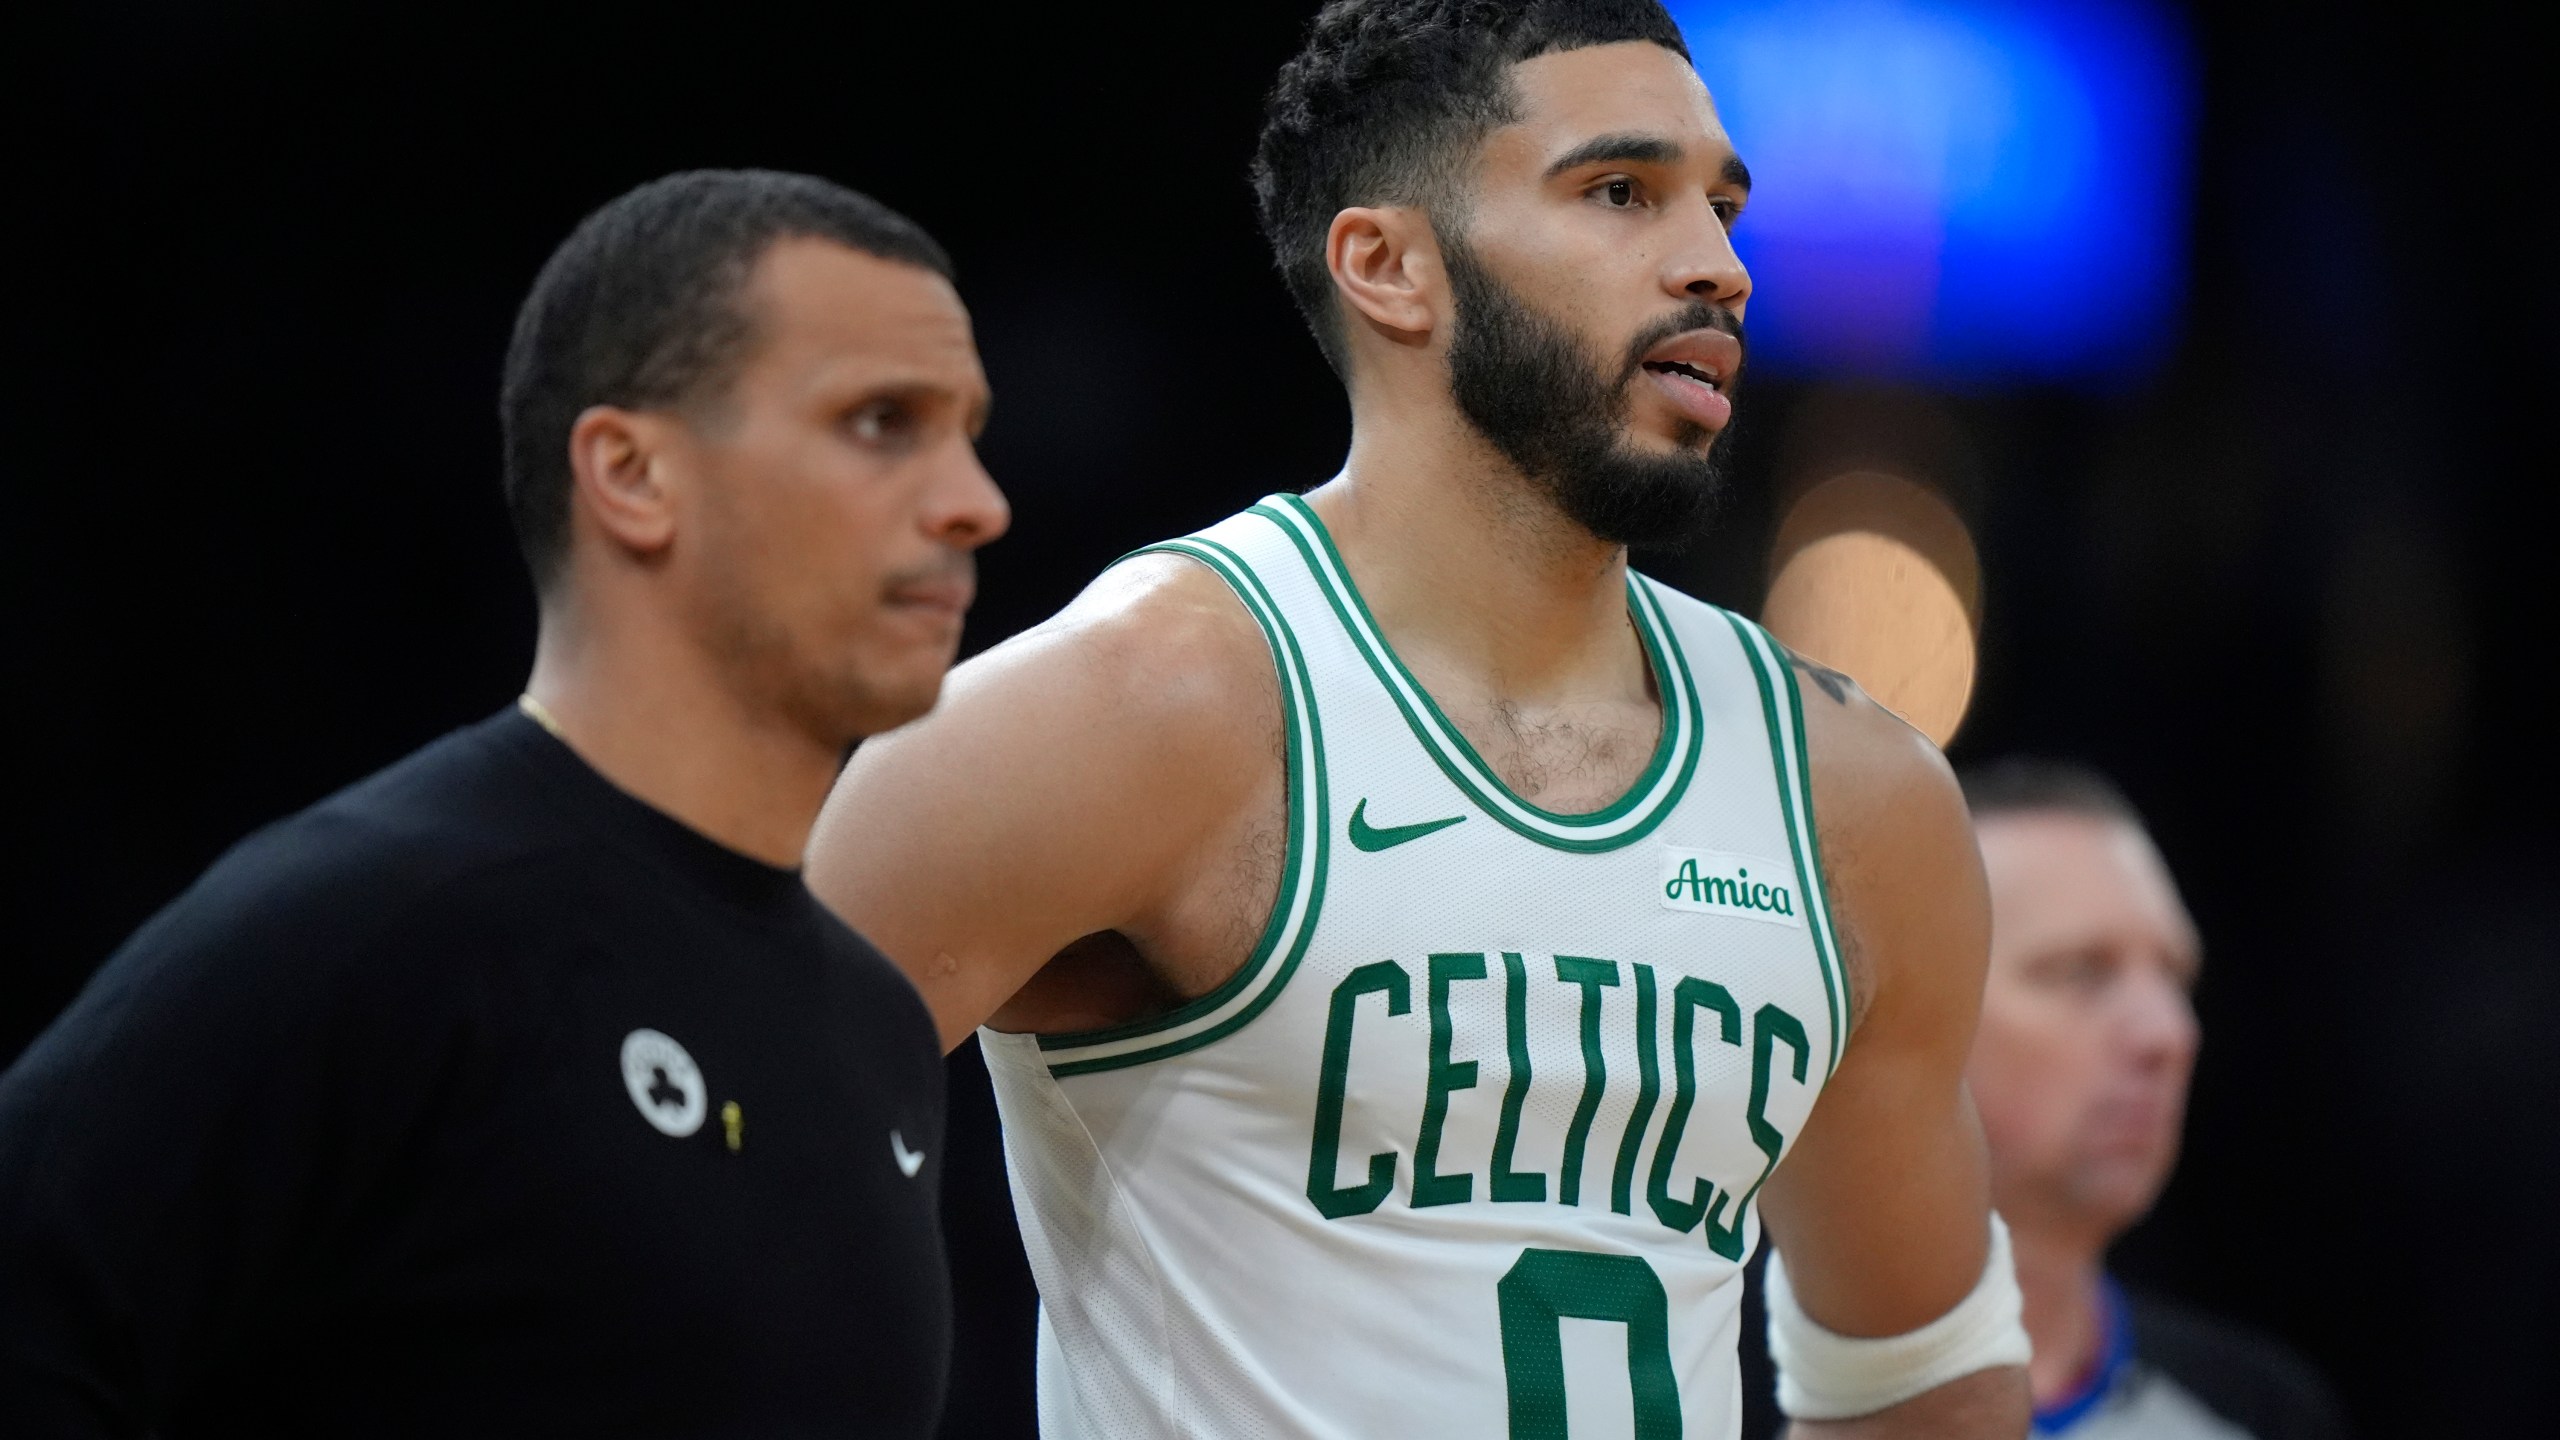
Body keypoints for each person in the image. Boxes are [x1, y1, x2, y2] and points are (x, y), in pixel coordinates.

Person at [807, 3, 2029, 1435]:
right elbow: (690, 1185)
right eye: (1622, 193)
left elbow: (1922, 1378)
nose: (1717, 264)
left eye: (1723, 205)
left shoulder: (1855, 796)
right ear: (1390, 267)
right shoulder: (1138, 711)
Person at [0, 169, 1008, 1436]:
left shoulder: (877, 1031)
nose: (977, 500)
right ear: (632, 472)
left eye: (970, 429)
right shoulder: (372, 927)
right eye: (881, 422)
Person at [1958, 760, 2350, 1440]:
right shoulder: (1724, 1383)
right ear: (1903, 1017)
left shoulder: (2261, 1411)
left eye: (2176, 976)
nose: (2169, 1034)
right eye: (2080, 971)